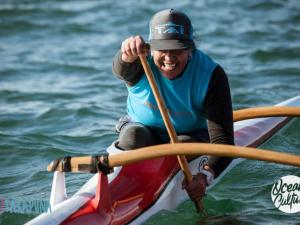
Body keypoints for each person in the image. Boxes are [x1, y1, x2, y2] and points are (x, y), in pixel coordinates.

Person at [112, 9, 234, 204]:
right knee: (133, 137)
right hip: (142, 130)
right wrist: (125, 54)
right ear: (149, 49)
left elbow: (223, 143)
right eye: (162, 50)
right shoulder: (141, 61)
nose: (169, 58)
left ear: (190, 49)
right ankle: (118, 190)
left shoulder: (211, 76)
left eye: (176, 49)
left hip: (189, 136)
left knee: (180, 147)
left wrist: (204, 177)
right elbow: (120, 70)